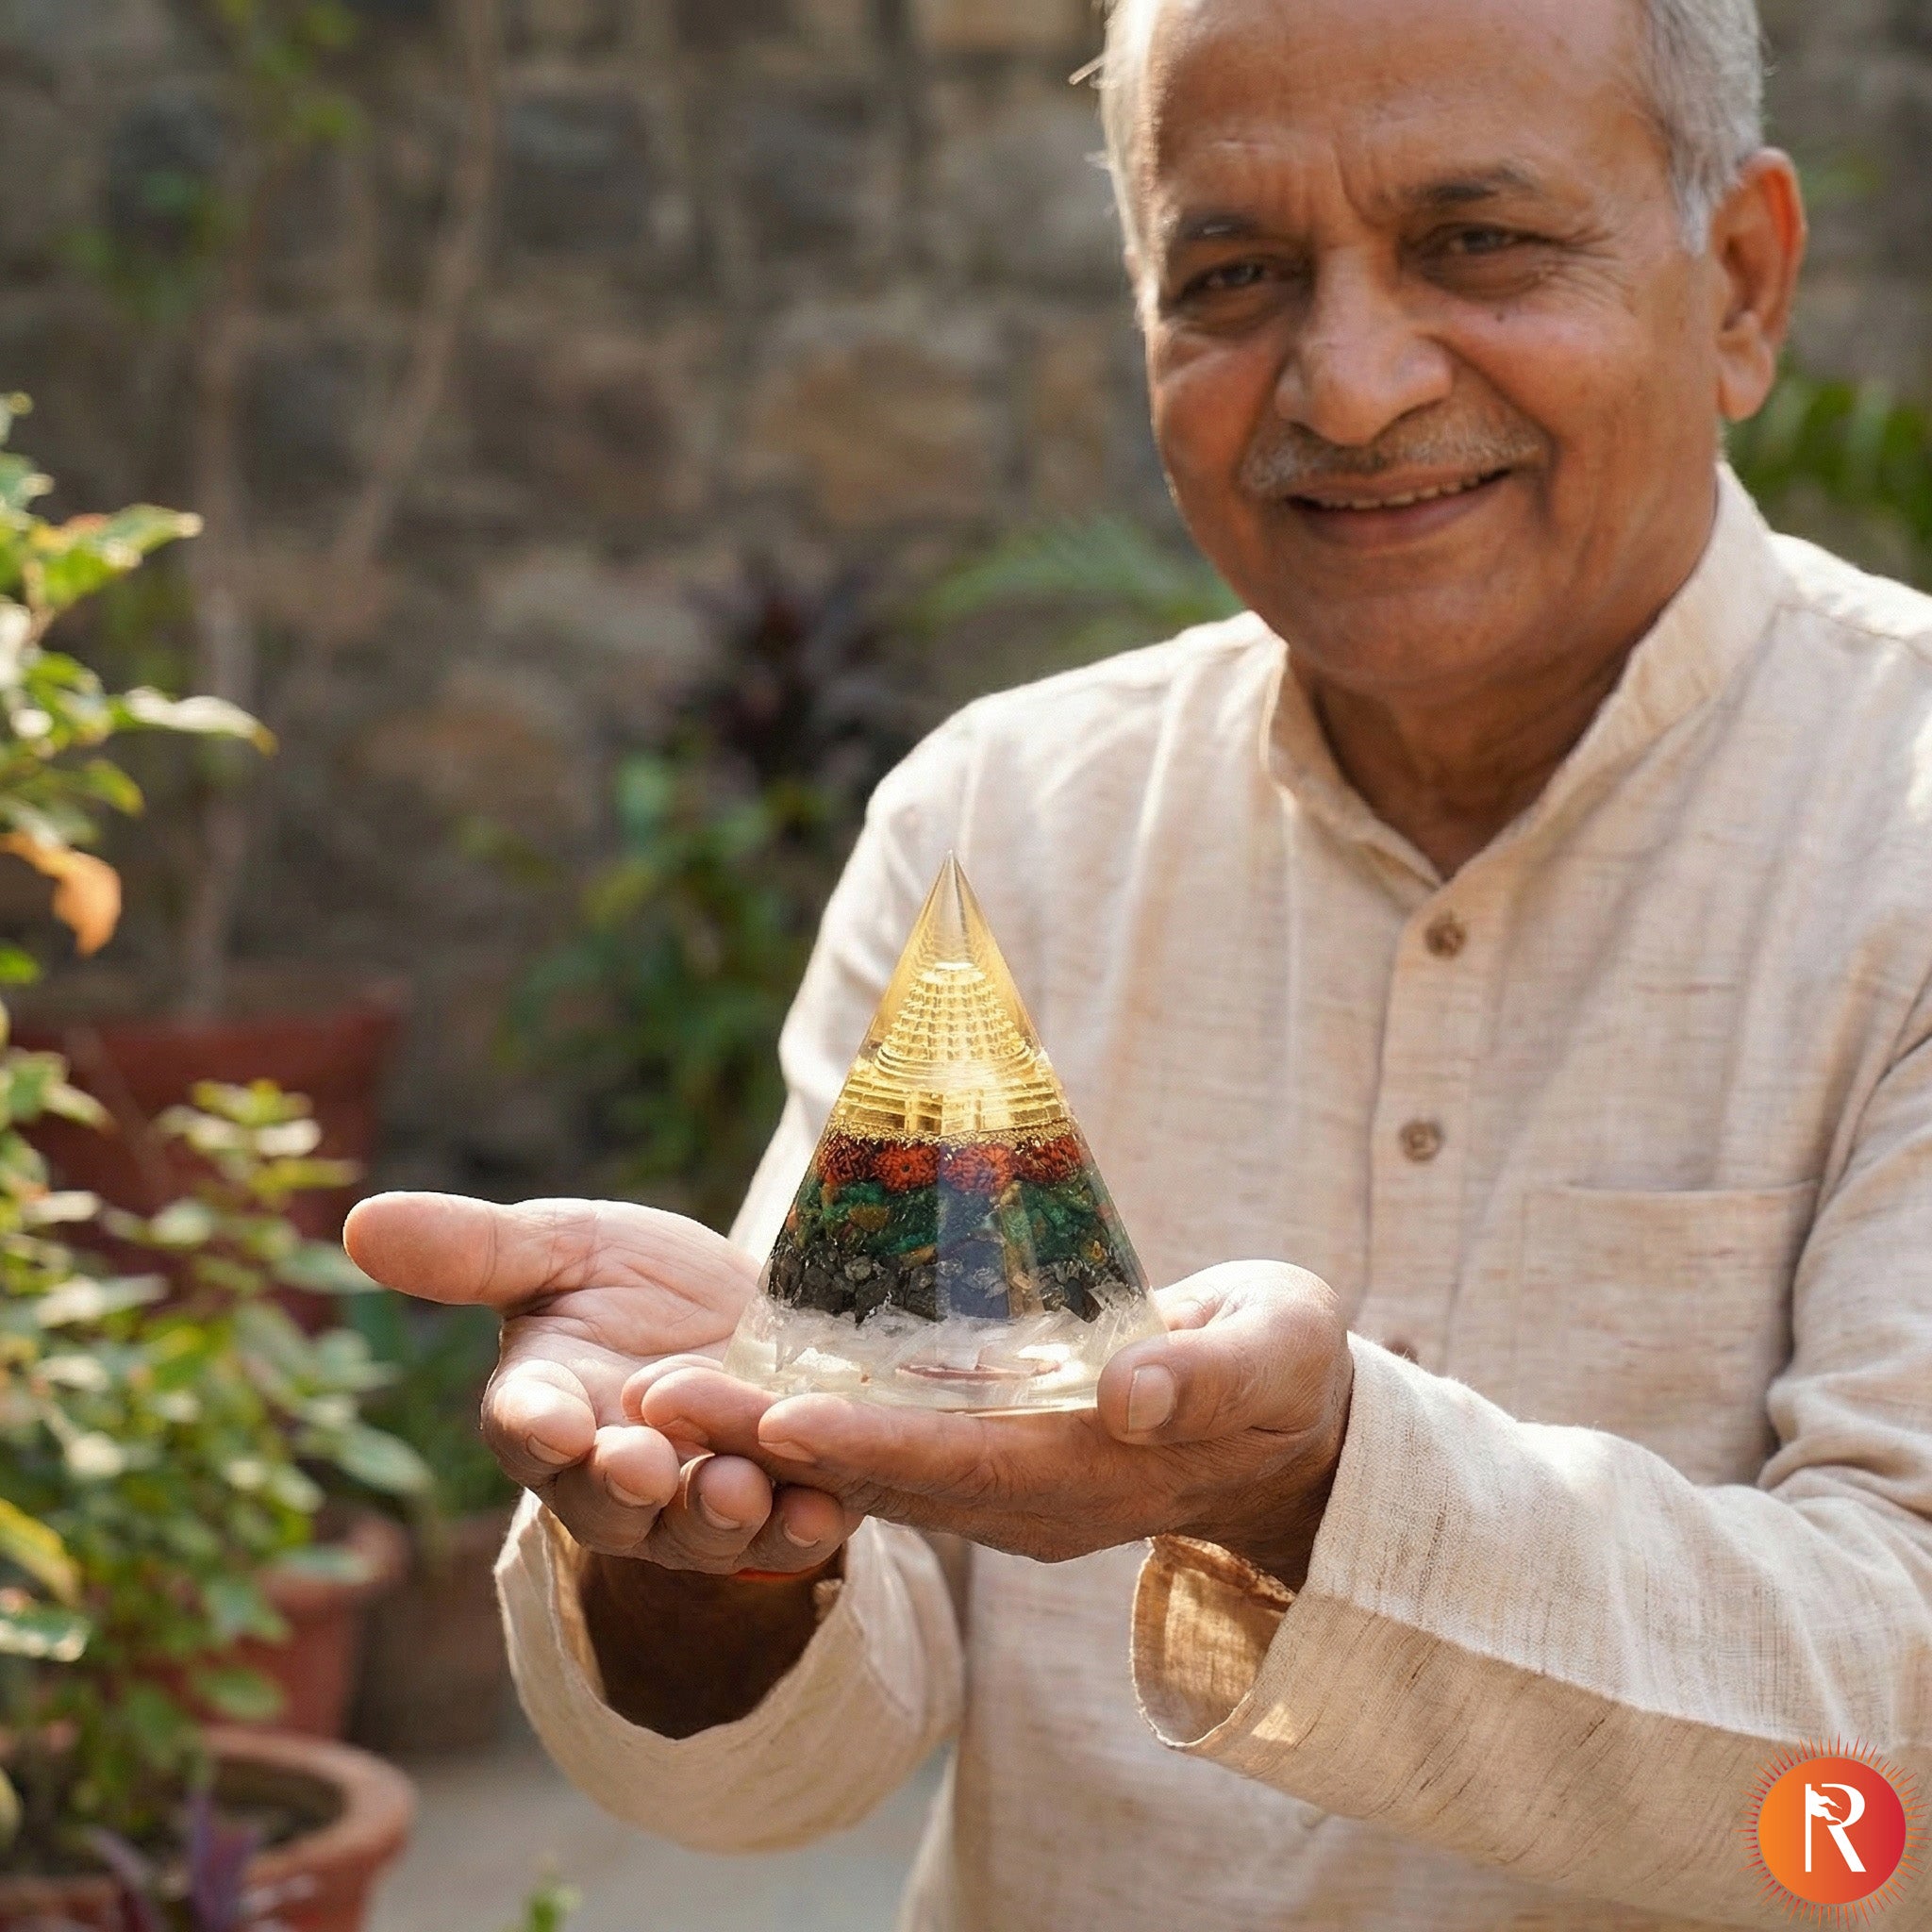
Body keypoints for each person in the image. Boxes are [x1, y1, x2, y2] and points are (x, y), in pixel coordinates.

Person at [347, 0, 1932, 1924]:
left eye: (1478, 242)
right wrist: (715, 1521)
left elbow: (1895, 1754)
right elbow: (796, 1746)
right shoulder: (1003, 820)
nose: (1350, 386)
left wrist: (1311, 1486)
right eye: (1236, 274)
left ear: (1742, 281)